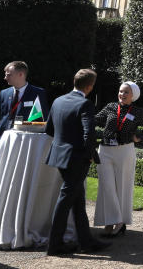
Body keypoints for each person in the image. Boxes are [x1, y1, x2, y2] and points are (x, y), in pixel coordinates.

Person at [45, 69, 109, 256]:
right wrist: (88, 154)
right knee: (66, 199)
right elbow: (89, 133)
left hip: (59, 156)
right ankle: (54, 244)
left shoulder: (58, 101)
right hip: (76, 158)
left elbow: (49, 129)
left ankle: (86, 241)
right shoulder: (85, 104)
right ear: (90, 86)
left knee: (77, 198)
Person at [93, 81, 143, 236]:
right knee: (106, 186)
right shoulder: (110, 107)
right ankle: (112, 220)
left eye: (126, 92)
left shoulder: (138, 111)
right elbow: (95, 120)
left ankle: (117, 222)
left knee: (122, 187)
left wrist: (138, 137)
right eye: (121, 91)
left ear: (133, 95)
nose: (122, 94)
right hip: (105, 150)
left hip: (125, 151)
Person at [0, 61, 50, 159]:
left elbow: (44, 121)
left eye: (8, 75)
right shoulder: (4, 93)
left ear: (20, 74)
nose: (5, 78)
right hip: (1, 141)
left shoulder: (38, 93)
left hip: (24, 144)